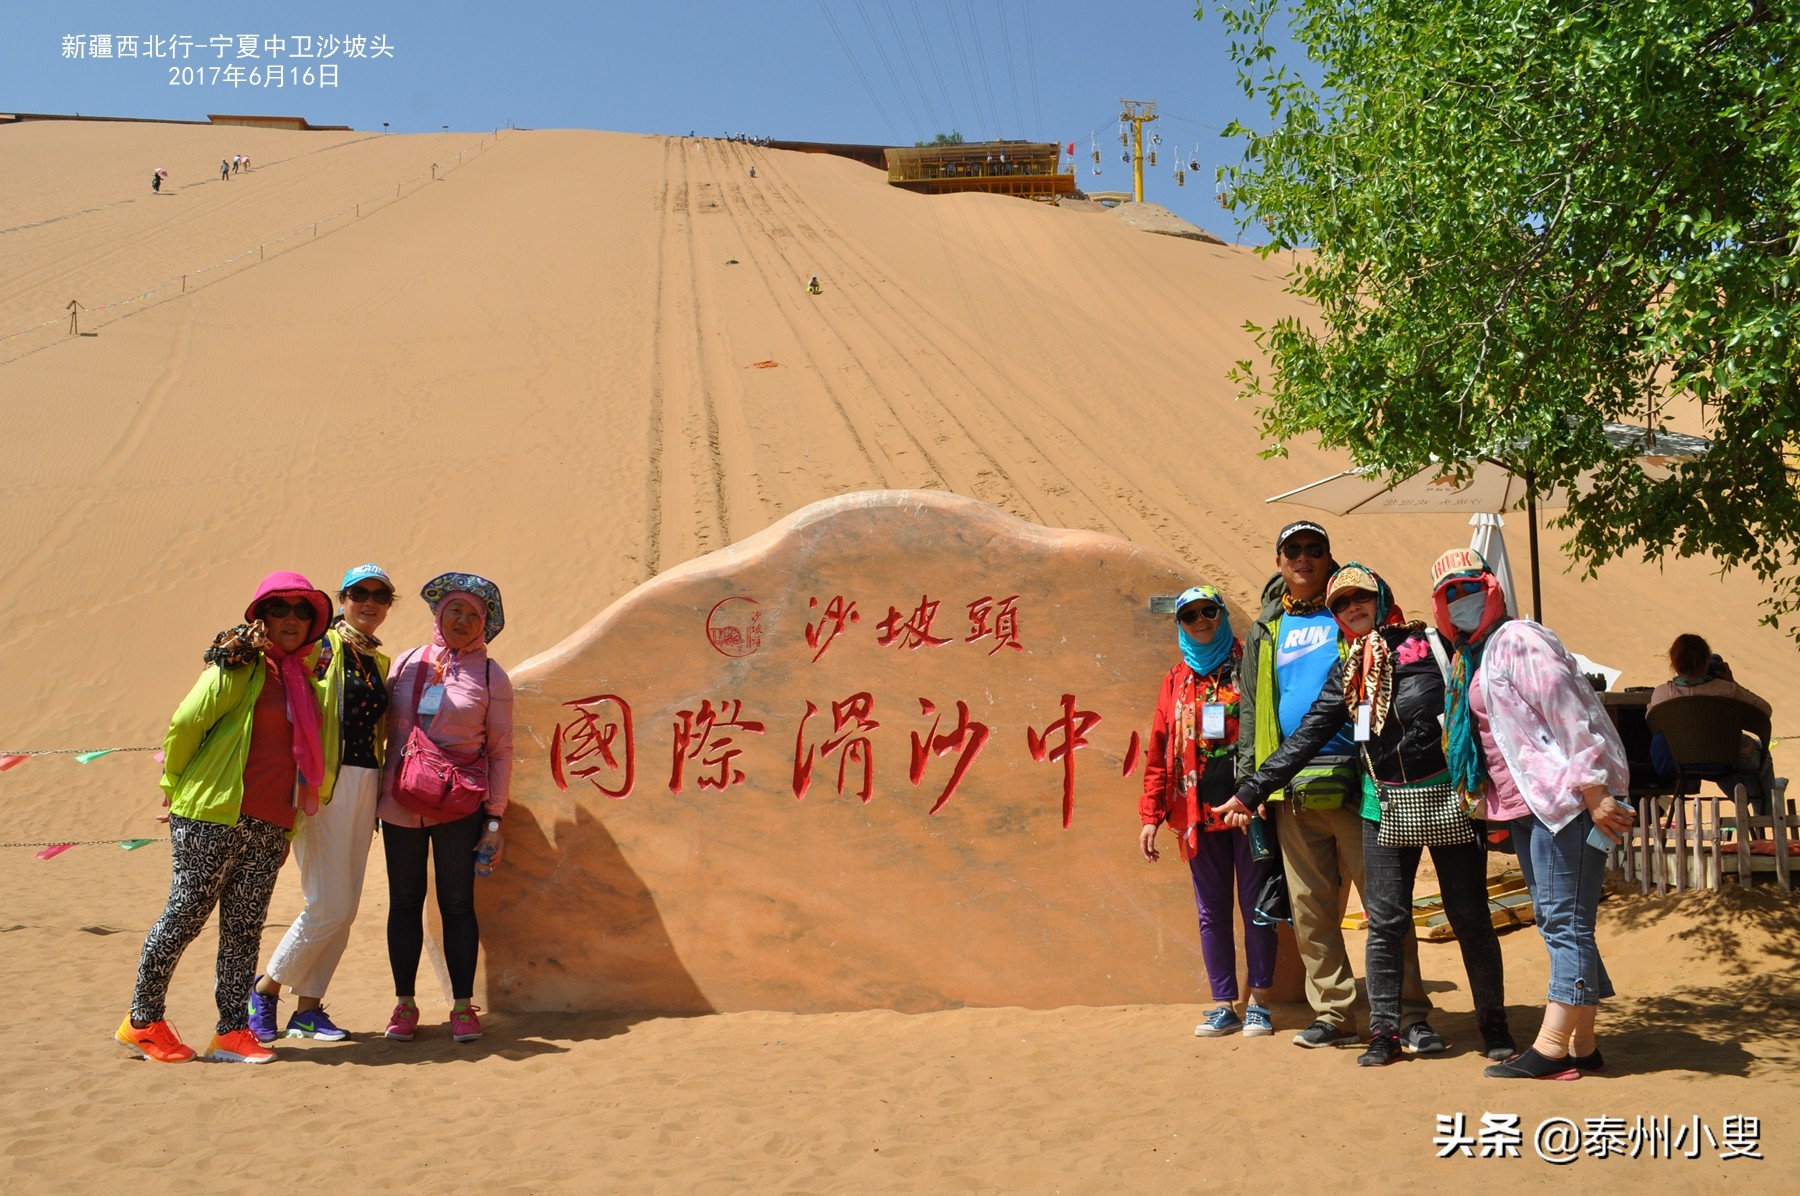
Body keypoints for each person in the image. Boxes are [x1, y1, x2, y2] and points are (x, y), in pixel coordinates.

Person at [1235, 564, 1512, 1066]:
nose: (1352, 608)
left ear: (1381, 597)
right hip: (1381, 805)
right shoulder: (1350, 668)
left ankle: (1493, 1025)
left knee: (1469, 916)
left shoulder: (1430, 644)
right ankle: (1385, 1033)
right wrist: (1253, 788)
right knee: (1384, 921)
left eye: (1361, 598)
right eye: (1340, 604)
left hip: (1447, 800)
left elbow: (1477, 706)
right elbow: (1309, 734)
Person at [1427, 548, 1634, 1080]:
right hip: (1531, 807)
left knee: (1564, 923)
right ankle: (1583, 1045)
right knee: (1561, 920)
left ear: (1491, 587)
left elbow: (1569, 710)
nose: (1462, 599)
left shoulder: (1519, 639)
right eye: (1450, 594)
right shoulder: (1476, 655)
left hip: (1567, 803)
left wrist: (1594, 790)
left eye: (1469, 587)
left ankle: (1549, 1048)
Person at [115, 571, 332, 1064]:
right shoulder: (238, 668)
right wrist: (173, 787)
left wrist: (289, 824)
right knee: (185, 915)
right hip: (213, 813)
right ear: (261, 615)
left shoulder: (304, 681)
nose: (292, 619)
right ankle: (142, 1021)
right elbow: (186, 724)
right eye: (280, 608)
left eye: (303, 611)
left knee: (244, 928)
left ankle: (232, 1032)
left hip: (271, 822)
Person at [1237, 522, 1435, 1050]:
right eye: (1293, 550)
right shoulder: (1267, 627)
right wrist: (1251, 783)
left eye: (1314, 550)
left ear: (1328, 558)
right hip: (1292, 789)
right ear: (1279, 561)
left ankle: (1411, 1011)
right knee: (1311, 910)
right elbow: (1254, 708)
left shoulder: (1349, 610)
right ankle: (1333, 1010)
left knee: (1384, 903)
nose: (1303, 558)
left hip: (1361, 782)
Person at [247, 565, 396, 1042]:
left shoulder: (378, 661)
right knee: (327, 903)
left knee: (346, 906)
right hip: (322, 785)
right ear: (343, 598)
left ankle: (308, 1009)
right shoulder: (319, 649)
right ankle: (266, 988)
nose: (369, 602)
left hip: (366, 783)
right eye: (358, 593)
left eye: (380, 595)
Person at [381, 572, 513, 1044]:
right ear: (439, 615)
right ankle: (404, 1004)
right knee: (404, 902)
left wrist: (494, 819)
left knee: (457, 904)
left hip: (460, 806)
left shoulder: (491, 674)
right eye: (454, 610)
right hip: (400, 805)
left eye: (472, 615)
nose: (461, 619)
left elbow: (499, 750)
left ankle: (461, 1006)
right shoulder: (407, 662)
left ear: (484, 625)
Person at [1140, 585, 1277, 1039]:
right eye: (1189, 616)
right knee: (1211, 911)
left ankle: (1260, 1001)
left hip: (1247, 808)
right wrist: (1150, 814)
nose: (1201, 621)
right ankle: (1224, 1004)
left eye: (1208, 612)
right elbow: (1158, 751)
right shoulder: (1174, 679)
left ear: (1221, 615)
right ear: (1180, 625)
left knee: (1256, 907)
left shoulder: (1249, 665)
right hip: (1196, 814)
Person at [1647, 633, 1777, 818]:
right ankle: (1764, 811)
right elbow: (1765, 710)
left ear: (1674, 663)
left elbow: (1651, 720)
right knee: (1759, 754)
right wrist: (1732, 683)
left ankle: (1746, 799)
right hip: (1724, 759)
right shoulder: (1727, 689)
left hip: (1683, 761)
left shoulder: (1662, 694)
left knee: (1723, 760)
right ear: (1707, 661)